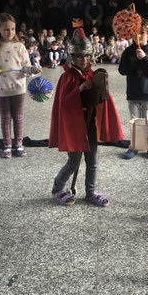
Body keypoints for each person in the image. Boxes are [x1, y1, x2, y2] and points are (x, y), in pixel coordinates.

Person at [49, 29, 124, 206]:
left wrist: (100, 90)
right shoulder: (67, 78)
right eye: (79, 56)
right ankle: (57, 188)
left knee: (93, 162)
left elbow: (102, 98)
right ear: (72, 57)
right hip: (74, 127)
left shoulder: (92, 75)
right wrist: (79, 89)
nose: (83, 60)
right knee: (73, 163)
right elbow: (64, 104)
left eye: (87, 56)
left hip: (90, 125)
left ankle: (90, 192)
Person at [0, 13, 41, 158]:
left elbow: (25, 65)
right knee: (5, 117)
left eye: (13, 29)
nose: (10, 32)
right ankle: (7, 144)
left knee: (18, 116)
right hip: (2, 88)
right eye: (6, 29)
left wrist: (31, 69)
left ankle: (19, 143)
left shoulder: (20, 46)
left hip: (18, 87)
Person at [119, 18, 148, 161]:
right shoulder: (128, 51)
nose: (139, 36)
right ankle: (134, 146)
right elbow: (122, 70)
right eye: (136, 33)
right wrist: (136, 61)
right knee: (134, 121)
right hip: (133, 91)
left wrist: (145, 58)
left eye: (142, 33)